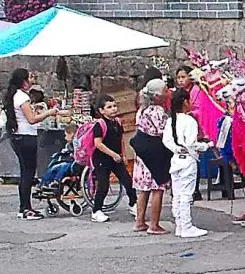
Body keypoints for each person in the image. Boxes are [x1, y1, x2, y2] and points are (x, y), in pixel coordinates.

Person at [4, 68, 60, 220]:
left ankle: (24, 207)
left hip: (19, 136)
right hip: (26, 136)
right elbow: (32, 119)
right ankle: (26, 208)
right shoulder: (22, 97)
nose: (32, 80)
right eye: (30, 77)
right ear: (24, 81)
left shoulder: (15, 96)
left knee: (25, 172)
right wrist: (49, 112)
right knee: (28, 172)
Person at [163, 88, 211, 238]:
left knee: (177, 194)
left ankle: (180, 225)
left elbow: (166, 140)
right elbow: (191, 143)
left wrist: (177, 149)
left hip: (176, 159)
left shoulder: (171, 120)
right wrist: (206, 146)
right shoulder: (189, 121)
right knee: (186, 194)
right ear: (185, 102)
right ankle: (187, 225)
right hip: (188, 160)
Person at [130, 79, 172, 235]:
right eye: (166, 90)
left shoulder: (142, 109)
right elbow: (163, 131)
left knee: (143, 189)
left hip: (142, 153)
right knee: (157, 188)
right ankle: (154, 224)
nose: (169, 92)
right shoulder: (157, 112)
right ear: (157, 96)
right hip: (153, 152)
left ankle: (139, 221)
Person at [89, 94, 137, 223]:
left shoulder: (117, 122)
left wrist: (124, 155)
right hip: (101, 159)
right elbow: (98, 144)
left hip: (116, 158)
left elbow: (120, 139)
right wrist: (113, 154)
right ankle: (96, 210)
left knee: (128, 181)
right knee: (103, 185)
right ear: (101, 111)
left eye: (114, 106)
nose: (113, 109)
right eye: (109, 107)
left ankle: (133, 204)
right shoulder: (99, 125)